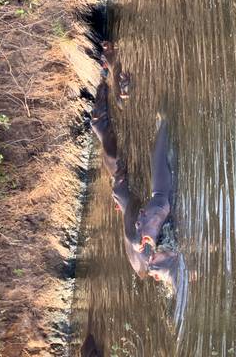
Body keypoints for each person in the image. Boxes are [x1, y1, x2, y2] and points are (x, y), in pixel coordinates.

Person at [92, 44, 180, 292]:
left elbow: (155, 197)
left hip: (125, 193)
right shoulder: (149, 250)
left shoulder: (142, 231)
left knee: (105, 133)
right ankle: (113, 80)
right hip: (133, 210)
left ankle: (111, 73)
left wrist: (164, 125)